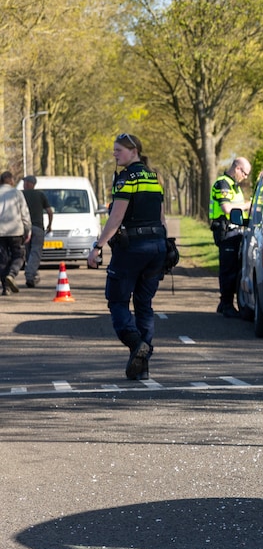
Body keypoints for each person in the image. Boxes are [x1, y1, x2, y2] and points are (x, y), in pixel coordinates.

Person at [87, 133, 167, 380]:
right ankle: (142, 366)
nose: (114, 154)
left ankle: (135, 344)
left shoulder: (126, 179)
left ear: (134, 151)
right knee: (144, 305)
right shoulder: (155, 178)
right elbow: (162, 219)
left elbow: (116, 217)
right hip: (157, 247)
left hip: (133, 248)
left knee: (118, 300)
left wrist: (98, 246)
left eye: (118, 150)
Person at [210, 157, 251, 318]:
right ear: (237, 168)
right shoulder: (223, 184)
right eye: (245, 173)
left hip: (235, 232)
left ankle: (225, 303)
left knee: (234, 269)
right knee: (228, 270)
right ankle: (226, 304)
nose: (245, 177)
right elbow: (227, 209)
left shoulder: (234, 186)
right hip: (226, 233)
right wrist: (247, 205)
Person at [0, 171, 31, 295]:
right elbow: (25, 213)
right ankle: (12, 274)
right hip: (15, 230)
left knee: (2, 259)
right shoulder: (17, 193)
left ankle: (5, 287)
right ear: (11, 181)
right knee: (18, 255)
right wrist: (27, 229)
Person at [21, 175, 53, 287]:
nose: (24, 185)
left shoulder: (21, 194)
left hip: (24, 228)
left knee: (29, 252)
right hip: (38, 227)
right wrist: (49, 225)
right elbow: (49, 211)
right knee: (35, 252)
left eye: (25, 182)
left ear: (30, 183)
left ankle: (32, 275)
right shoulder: (40, 195)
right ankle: (30, 274)